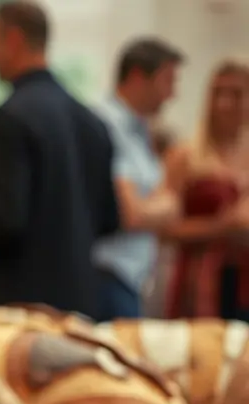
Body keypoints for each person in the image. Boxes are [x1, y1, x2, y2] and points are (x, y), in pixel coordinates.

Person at [0, 1, 120, 317]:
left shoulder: (7, 121)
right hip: (81, 301)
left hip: (23, 307)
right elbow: (109, 219)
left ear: (14, 40)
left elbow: (6, 224)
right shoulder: (91, 122)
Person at [91, 38, 185, 321]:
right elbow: (132, 213)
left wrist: (162, 204)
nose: (172, 94)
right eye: (166, 81)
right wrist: (168, 204)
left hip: (130, 277)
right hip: (108, 274)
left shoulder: (139, 127)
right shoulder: (107, 124)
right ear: (136, 77)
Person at [163, 59, 249, 319]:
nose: (224, 103)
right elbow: (166, 230)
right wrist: (220, 226)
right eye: (218, 93)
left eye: (236, 94)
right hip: (200, 280)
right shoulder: (186, 156)